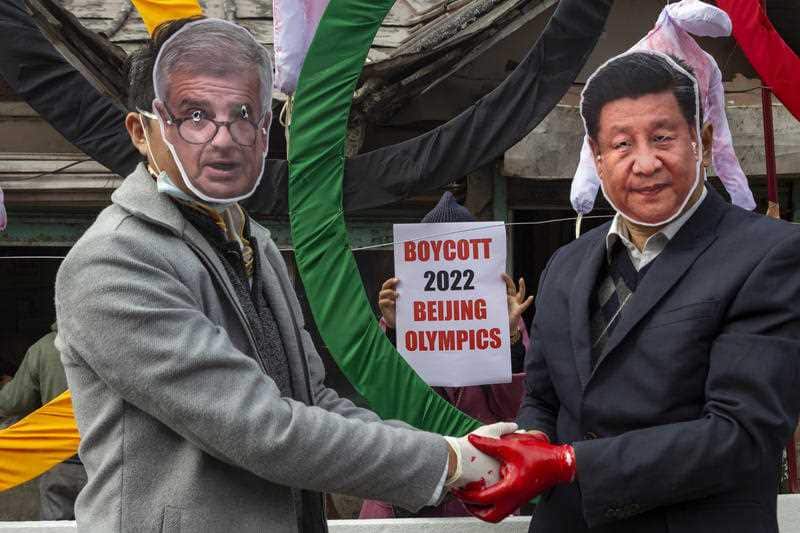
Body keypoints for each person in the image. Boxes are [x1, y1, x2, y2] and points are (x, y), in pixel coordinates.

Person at [53, 17, 516, 532]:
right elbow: (260, 427)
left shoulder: (255, 242)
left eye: (243, 115)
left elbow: (312, 401)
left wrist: (454, 450)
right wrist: (449, 461)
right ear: (142, 132)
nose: (223, 140)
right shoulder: (114, 261)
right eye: (195, 116)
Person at [456, 51, 800, 532]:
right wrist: (532, 441)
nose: (645, 163)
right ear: (597, 158)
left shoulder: (769, 255)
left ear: (702, 142)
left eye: (662, 138)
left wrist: (571, 463)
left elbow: (741, 433)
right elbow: (543, 397)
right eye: (621, 144)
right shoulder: (565, 264)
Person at [360, 191, 532, 519]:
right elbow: (388, 396)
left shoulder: (501, 317)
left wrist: (509, 337)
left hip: (481, 484)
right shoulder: (399, 316)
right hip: (407, 481)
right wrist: (395, 329)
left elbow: (515, 411)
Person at [0, 323, 87, 520]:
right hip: (104, 458)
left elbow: (12, 403)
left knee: (54, 526)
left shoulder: (43, 348)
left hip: (58, 460)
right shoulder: (112, 343)